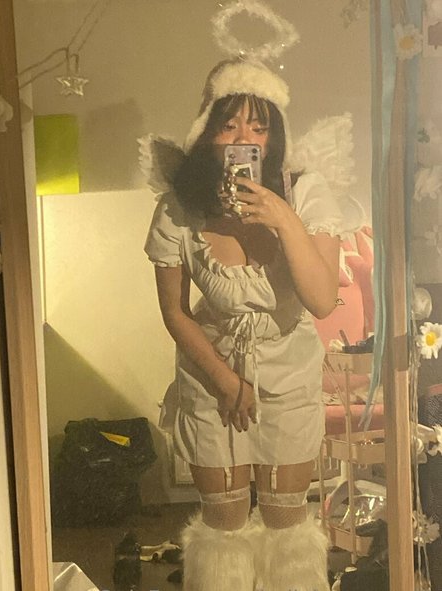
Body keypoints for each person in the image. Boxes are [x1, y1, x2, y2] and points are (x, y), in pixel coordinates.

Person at [144, 58, 343, 591]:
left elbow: (322, 300)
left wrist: (282, 218)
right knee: (222, 526)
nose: (243, 139)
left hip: (288, 369)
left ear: (275, 135)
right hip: (210, 371)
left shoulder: (306, 193)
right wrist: (224, 379)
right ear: (206, 132)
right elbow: (174, 311)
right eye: (228, 125)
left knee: (286, 523)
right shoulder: (179, 207)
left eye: (259, 126)